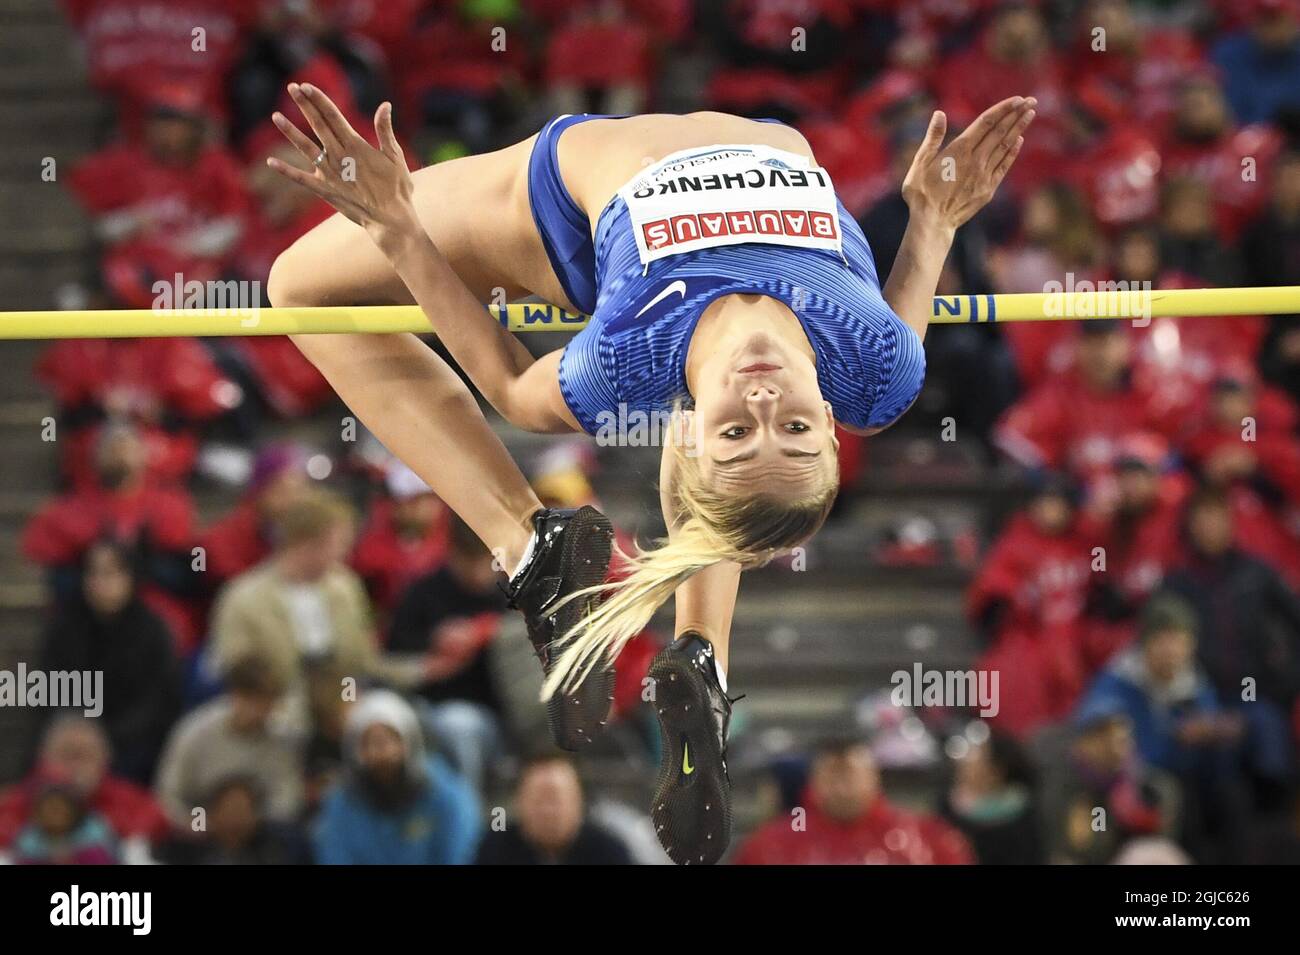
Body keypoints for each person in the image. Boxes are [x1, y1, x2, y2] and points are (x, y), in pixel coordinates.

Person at [265, 84, 1035, 863]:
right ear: (832, 431)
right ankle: (702, 651)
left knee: (296, 289)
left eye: (738, 427)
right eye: (796, 426)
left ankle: (529, 546)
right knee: (744, 456)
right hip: (736, 179)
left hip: (563, 210)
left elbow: (508, 388)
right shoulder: (879, 369)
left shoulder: (625, 354)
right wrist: (934, 217)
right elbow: (915, 270)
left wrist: (400, 233)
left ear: (699, 435)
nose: (763, 396)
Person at [38, 539, 181, 786]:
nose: (101, 582)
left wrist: (108, 737)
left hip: (133, 745)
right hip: (72, 738)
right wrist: (78, 733)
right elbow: (48, 690)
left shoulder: (153, 630)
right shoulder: (64, 627)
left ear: (131, 577)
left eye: (112, 573)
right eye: (92, 573)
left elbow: (159, 700)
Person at [733, 738, 973, 865]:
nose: (841, 788)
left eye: (850, 776)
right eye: (832, 777)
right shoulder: (770, 844)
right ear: (814, 781)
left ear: (873, 778)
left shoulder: (928, 840)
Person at [313, 689, 481, 865]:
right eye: (368, 743)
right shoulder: (342, 803)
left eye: (387, 741)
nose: (380, 754)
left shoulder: (446, 795)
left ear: (408, 742)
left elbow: (461, 853)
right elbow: (334, 855)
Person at [154, 657, 306, 828]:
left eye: (267, 702)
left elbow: (287, 800)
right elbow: (168, 795)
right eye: (253, 700)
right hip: (201, 828)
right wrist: (203, 825)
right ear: (235, 694)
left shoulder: (279, 740)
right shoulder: (195, 732)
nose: (260, 711)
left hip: (256, 833)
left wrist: (253, 823)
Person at [0, 716, 169, 856]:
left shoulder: (124, 796)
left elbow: (156, 821)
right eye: (67, 755)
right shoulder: (26, 798)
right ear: (44, 758)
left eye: (85, 756)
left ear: (105, 759)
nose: (75, 766)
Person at [475, 755, 633, 865]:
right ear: (519, 802)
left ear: (578, 802)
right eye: (538, 800)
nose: (548, 811)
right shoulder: (495, 847)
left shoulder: (609, 851)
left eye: (555, 799)